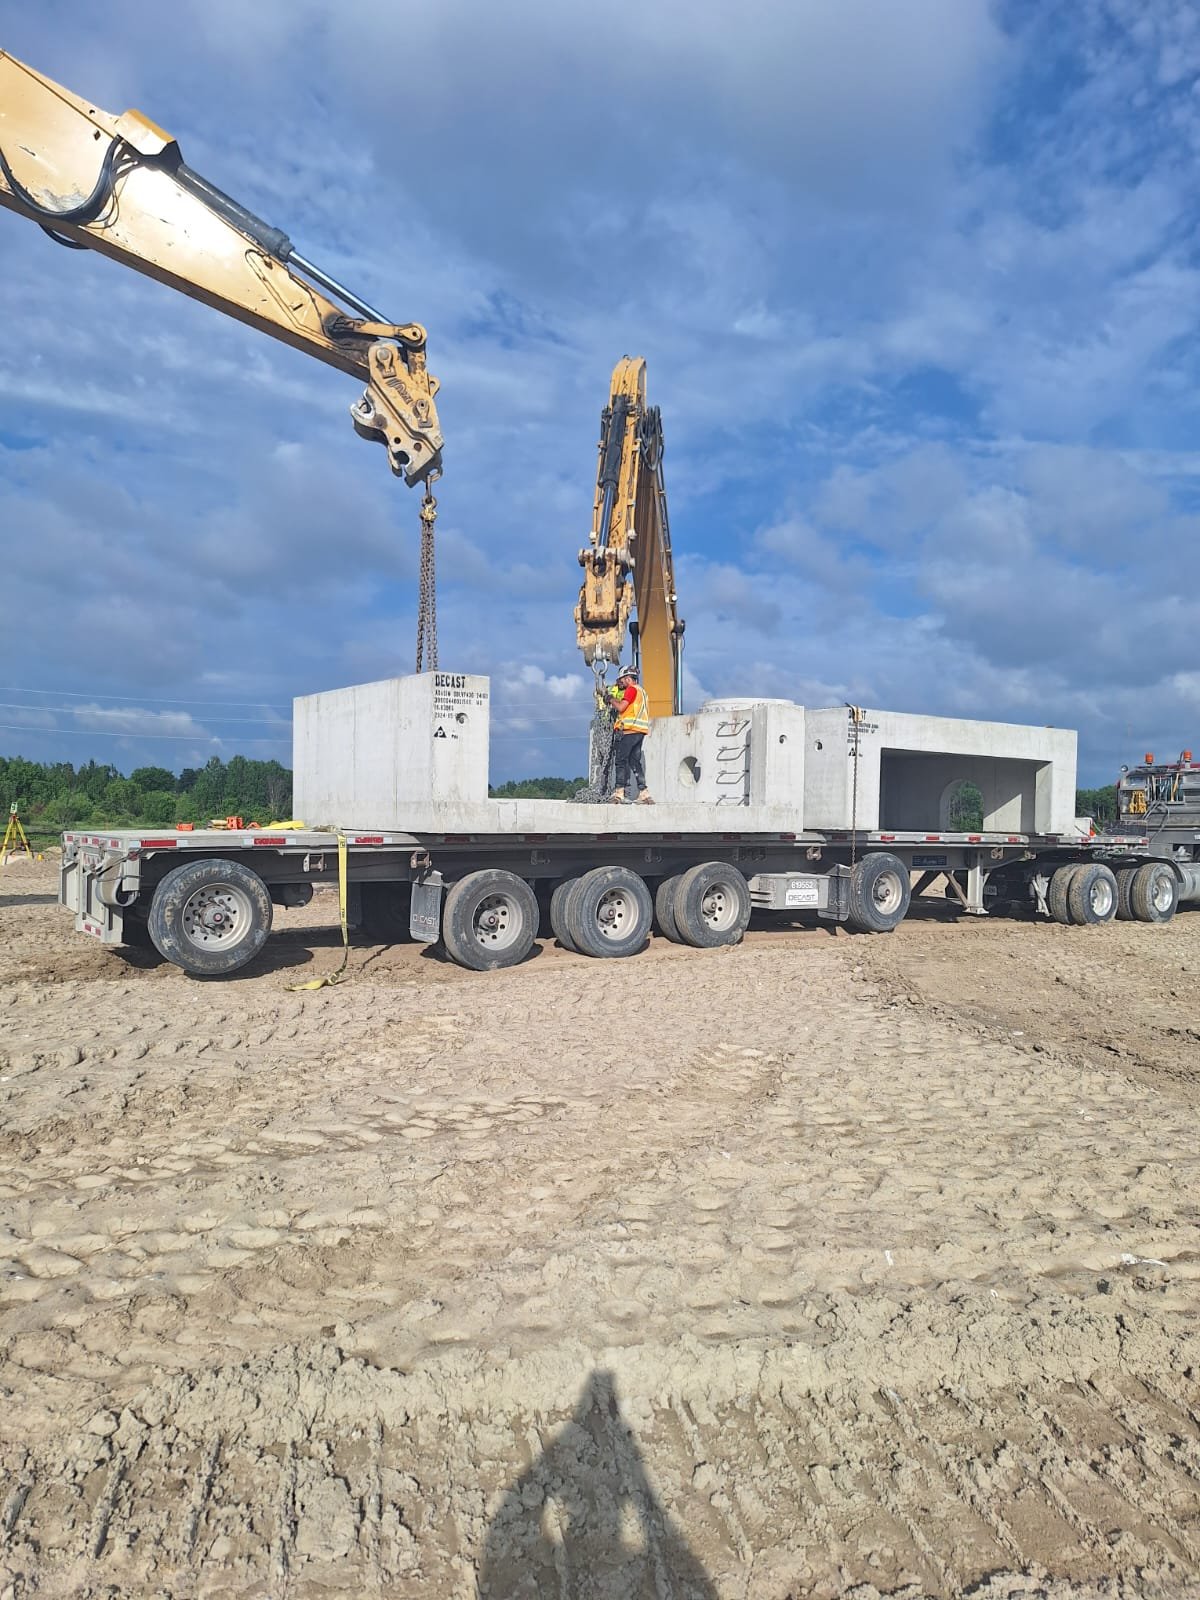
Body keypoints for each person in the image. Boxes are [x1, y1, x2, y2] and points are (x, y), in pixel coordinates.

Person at [607, 664, 653, 804]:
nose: (620, 684)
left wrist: (610, 699)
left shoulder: (631, 690)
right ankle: (644, 793)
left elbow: (621, 707)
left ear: (627, 679)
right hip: (640, 731)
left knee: (621, 761)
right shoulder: (642, 692)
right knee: (634, 762)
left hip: (628, 730)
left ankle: (618, 793)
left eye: (621, 681)